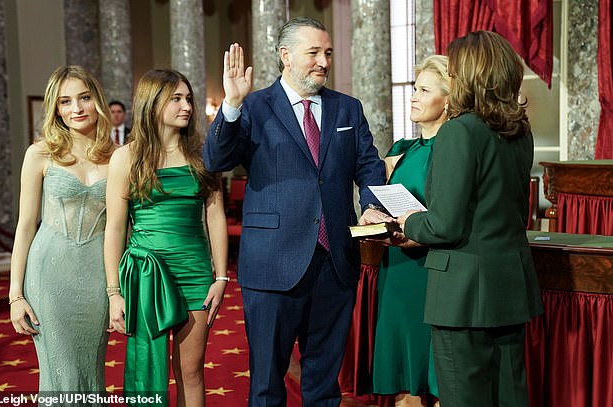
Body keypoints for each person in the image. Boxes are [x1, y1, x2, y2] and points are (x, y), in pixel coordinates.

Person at [203, 16, 388, 407]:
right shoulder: (253, 106)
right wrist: (231, 104)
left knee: (323, 385)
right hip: (272, 266)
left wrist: (371, 205)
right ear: (285, 56)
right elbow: (216, 160)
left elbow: (369, 165)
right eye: (314, 53)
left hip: (335, 263)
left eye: (328, 53)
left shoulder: (347, 109)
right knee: (268, 386)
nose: (323, 61)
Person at [396, 31, 543, 407]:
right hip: (510, 287)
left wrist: (407, 221)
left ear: (472, 75)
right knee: (509, 398)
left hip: (462, 296)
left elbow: (443, 225)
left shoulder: (459, 132)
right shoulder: (519, 131)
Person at [104, 68, 228, 407]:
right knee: (148, 375)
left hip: (195, 274)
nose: (186, 106)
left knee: (191, 370)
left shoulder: (203, 156)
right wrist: (114, 292)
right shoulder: (125, 158)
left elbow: (215, 216)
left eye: (188, 98)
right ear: (152, 103)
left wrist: (220, 277)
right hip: (146, 276)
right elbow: (114, 228)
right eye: (176, 98)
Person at [9, 65, 115, 394]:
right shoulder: (40, 153)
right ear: (56, 109)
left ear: (97, 101)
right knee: (61, 373)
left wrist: (117, 290)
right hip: (49, 276)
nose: (77, 109)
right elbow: (25, 226)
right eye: (65, 102)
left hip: (98, 279)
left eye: (84, 98)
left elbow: (121, 227)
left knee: (92, 370)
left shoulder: (118, 157)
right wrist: (15, 295)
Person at [371, 55, 448, 407]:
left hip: (432, 271)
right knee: (406, 383)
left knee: (436, 377)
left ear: (449, 99)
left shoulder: (453, 151)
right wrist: (373, 214)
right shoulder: (403, 150)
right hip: (397, 267)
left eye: (424, 90)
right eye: (414, 89)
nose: (413, 96)